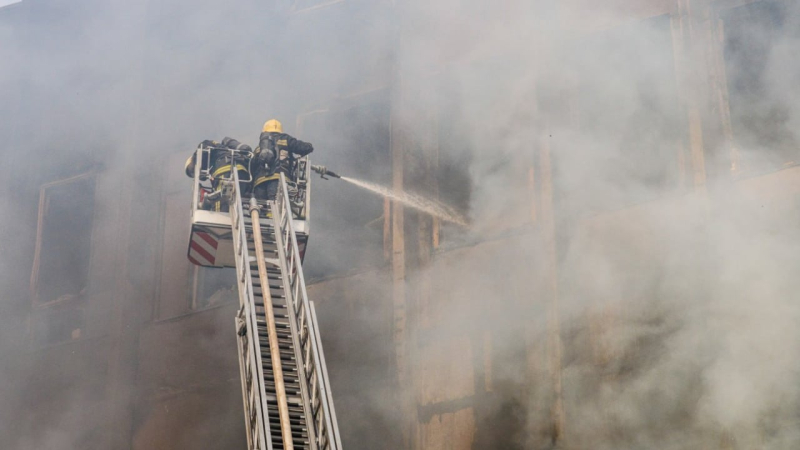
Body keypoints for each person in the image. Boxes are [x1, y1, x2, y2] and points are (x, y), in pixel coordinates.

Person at [252, 119, 314, 201]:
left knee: (261, 208)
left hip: (260, 183)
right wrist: (309, 146)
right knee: (276, 206)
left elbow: (252, 166)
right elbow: (302, 147)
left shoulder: (259, 148)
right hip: (279, 179)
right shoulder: (285, 139)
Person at [185, 137, 253, 211]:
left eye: (192, 171)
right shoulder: (221, 151)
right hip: (242, 172)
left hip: (225, 171)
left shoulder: (205, 145)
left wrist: (196, 164)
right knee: (234, 202)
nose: (194, 174)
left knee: (219, 207)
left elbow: (202, 149)